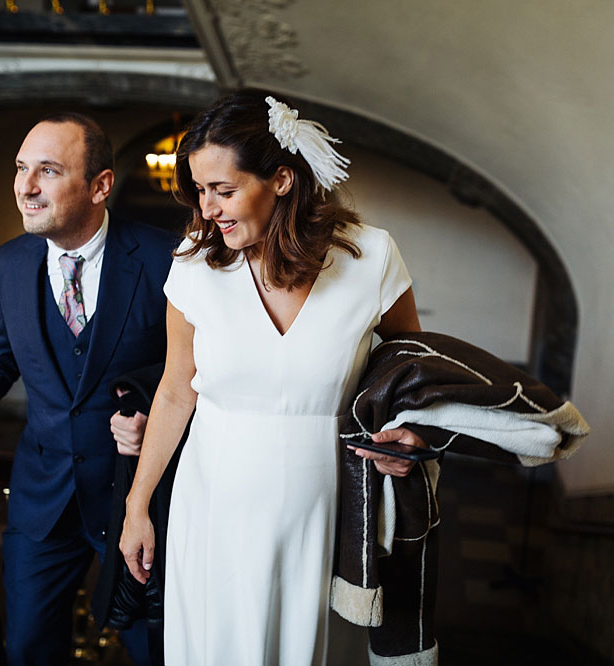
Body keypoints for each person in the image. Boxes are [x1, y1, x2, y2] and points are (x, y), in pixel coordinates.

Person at [119, 90, 427, 666]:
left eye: (224, 190)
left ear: (282, 179)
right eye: (200, 191)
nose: (207, 209)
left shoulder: (371, 257)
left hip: (328, 503)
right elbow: (175, 388)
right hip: (213, 504)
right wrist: (138, 507)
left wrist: (410, 435)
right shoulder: (193, 261)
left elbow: (413, 373)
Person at [0, 112, 175, 666]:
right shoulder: (9, 264)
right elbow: (1, 353)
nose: (26, 186)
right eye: (20, 168)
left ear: (100, 185)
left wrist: (151, 413)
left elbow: (199, 366)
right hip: (42, 500)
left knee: (157, 650)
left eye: (48, 170)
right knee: (31, 651)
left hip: (137, 501)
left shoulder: (163, 259)